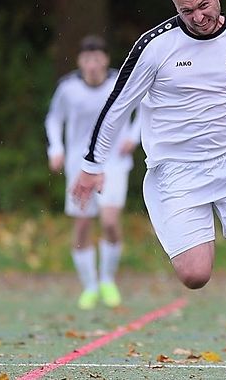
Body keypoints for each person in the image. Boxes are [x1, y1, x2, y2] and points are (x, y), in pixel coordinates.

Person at [72, 0, 226, 380]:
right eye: (185, 11)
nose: (198, 17)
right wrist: (92, 165)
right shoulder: (154, 47)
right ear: (174, 8)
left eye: (203, 5)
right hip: (175, 173)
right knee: (196, 275)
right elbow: (116, 108)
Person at [45, 35, 140, 310]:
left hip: (114, 162)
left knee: (109, 221)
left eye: (97, 58)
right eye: (87, 59)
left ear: (106, 60)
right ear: (80, 61)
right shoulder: (68, 88)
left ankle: (107, 279)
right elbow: (54, 118)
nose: (93, 64)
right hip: (80, 165)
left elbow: (144, 111)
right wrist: (56, 149)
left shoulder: (119, 84)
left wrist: (133, 137)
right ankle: (90, 286)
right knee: (83, 224)